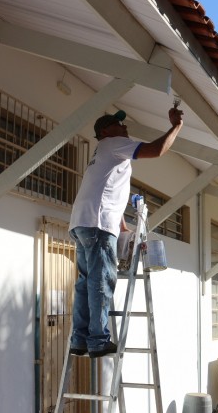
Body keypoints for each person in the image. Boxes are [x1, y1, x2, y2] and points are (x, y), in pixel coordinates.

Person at [68, 105, 183, 357]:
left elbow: (107, 191)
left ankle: (79, 340)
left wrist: (121, 227)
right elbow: (157, 150)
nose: (125, 127)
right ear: (106, 131)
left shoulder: (102, 154)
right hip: (97, 226)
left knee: (86, 282)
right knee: (101, 281)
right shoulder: (113, 143)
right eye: (118, 124)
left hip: (82, 223)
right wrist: (176, 126)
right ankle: (98, 341)